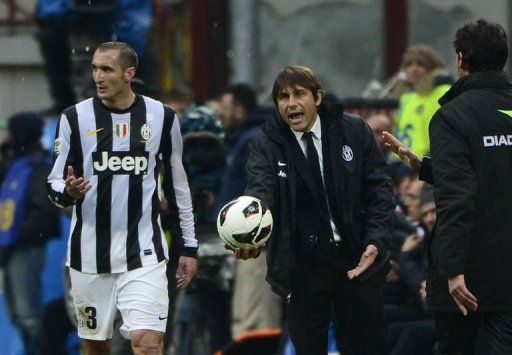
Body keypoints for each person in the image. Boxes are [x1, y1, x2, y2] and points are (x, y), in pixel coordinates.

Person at [46, 41, 197, 355]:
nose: (98, 77)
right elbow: (54, 184)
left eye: (106, 69)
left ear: (129, 73)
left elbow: (178, 187)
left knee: (148, 342)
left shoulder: (162, 118)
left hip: (144, 254)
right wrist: (68, 193)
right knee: (95, 348)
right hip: (88, 256)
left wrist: (188, 246)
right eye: (95, 69)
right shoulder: (75, 117)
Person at [232, 66, 395, 354]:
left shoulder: (353, 131)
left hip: (356, 257)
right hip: (302, 265)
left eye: (298, 94)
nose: (290, 103)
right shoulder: (267, 144)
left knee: (370, 346)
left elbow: (380, 191)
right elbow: (260, 192)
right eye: (282, 97)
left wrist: (376, 240)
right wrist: (250, 233)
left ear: (317, 98)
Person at [384, 19, 512, 354]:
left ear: (460, 59)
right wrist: (426, 167)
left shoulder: (453, 116)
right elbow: (492, 170)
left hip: (470, 276)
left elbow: (458, 197)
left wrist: (453, 270)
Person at [0, 112, 60, 355]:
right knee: (16, 312)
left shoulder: (38, 167)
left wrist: (17, 240)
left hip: (25, 248)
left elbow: (42, 212)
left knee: (28, 314)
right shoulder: (15, 165)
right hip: (12, 247)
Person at [393, 44, 452, 157]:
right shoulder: (406, 97)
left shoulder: (443, 91)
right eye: (409, 65)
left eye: (421, 64)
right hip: (403, 162)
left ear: (432, 68)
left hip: (429, 160)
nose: (414, 69)